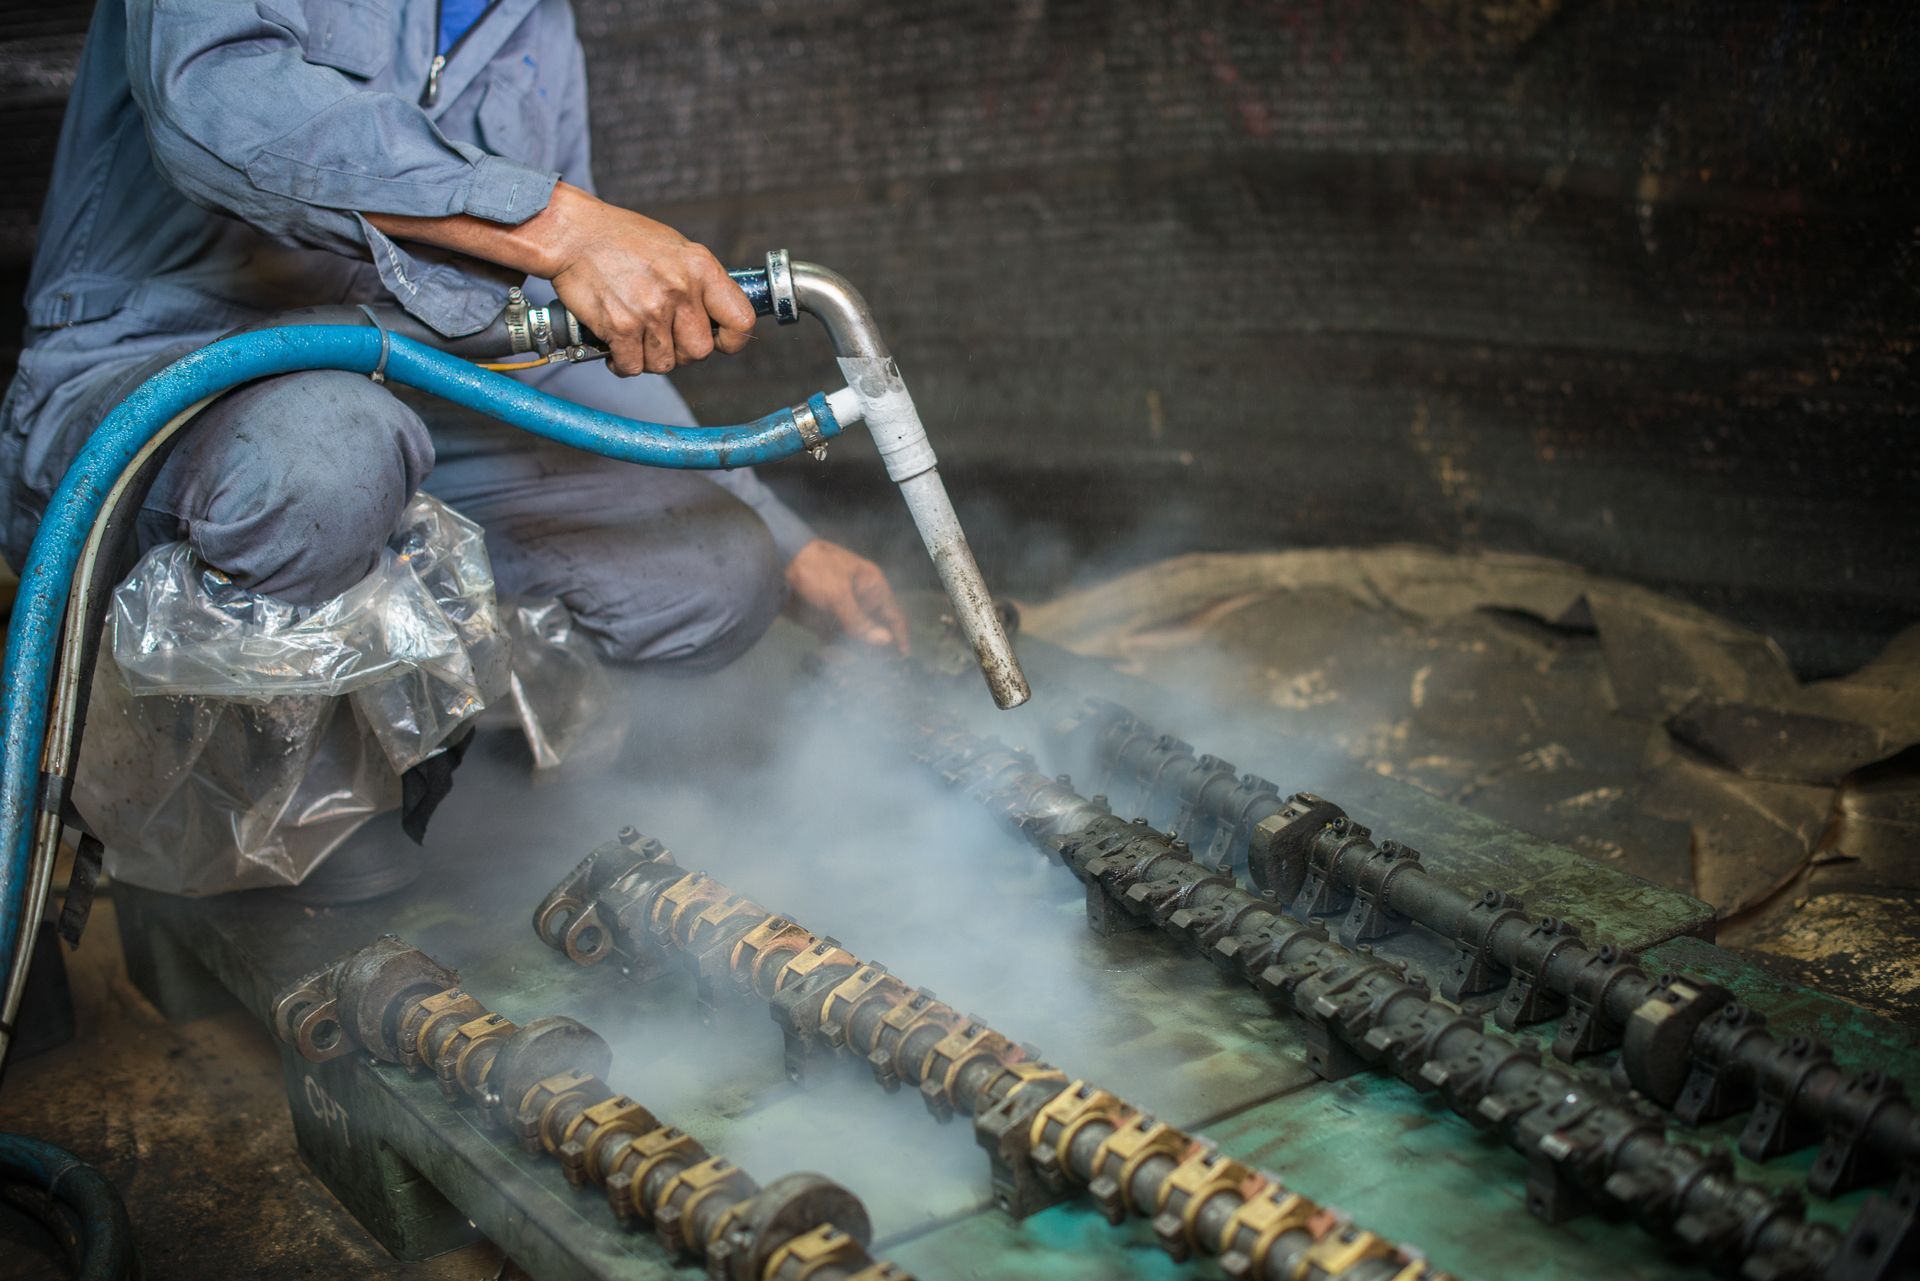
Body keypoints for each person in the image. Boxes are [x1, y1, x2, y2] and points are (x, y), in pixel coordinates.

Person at [2, 0, 910, 676]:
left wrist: (787, 542)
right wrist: (560, 224)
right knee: (330, 457)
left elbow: (554, 344)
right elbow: (215, 103)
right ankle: (274, 849)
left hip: (417, 400)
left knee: (711, 569)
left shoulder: (537, 29)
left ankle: (443, 768)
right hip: (155, 378)